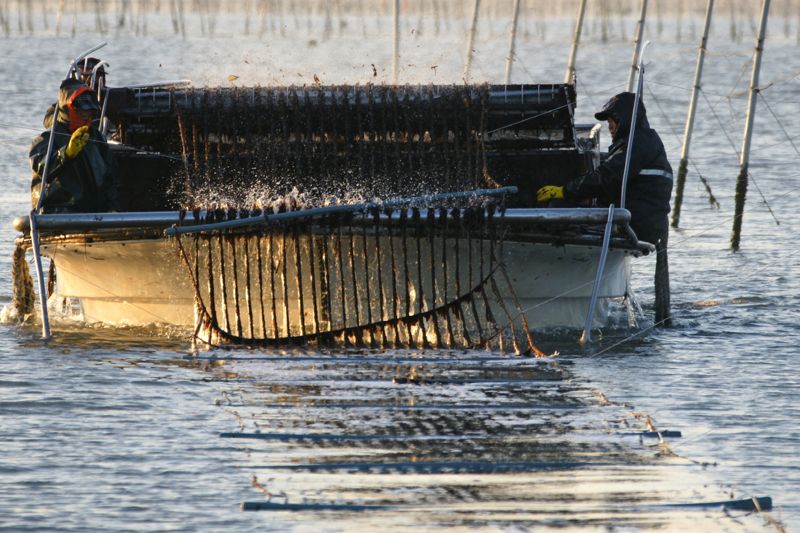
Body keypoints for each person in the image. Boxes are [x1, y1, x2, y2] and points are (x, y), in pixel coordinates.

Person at [536, 92, 672, 246]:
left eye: (612, 120)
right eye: (608, 121)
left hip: (635, 224)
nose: (610, 126)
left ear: (625, 117)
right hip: (640, 221)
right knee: (567, 209)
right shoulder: (641, 140)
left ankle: (548, 250)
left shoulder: (637, 143)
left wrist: (564, 191)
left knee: (558, 210)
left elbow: (606, 178)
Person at [30, 78, 119, 213]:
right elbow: (43, 169)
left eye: (89, 110)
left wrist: (113, 207)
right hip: (59, 215)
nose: (85, 113)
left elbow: (110, 178)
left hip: (97, 216)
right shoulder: (47, 138)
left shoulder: (96, 137)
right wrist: (66, 153)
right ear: (67, 109)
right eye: (80, 109)